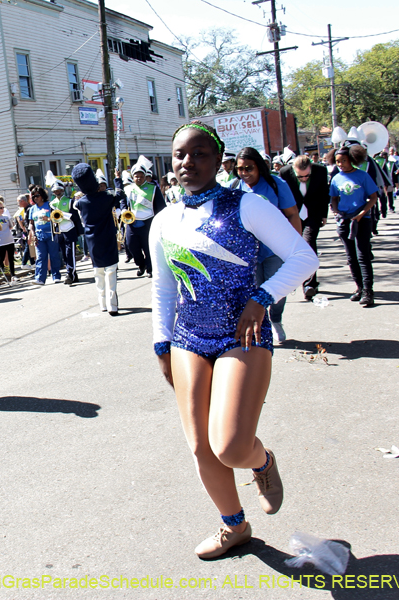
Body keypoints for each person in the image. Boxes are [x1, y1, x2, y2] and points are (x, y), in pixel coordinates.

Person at [151, 121, 317, 559]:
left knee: (231, 446)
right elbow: (164, 289)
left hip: (243, 335)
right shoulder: (164, 221)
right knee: (201, 445)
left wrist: (263, 297)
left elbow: (304, 256)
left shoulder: (246, 206)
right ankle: (234, 526)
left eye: (200, 153)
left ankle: (261, 462)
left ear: (218, 159)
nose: (188, 162)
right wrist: (161, 345)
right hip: (189, 337)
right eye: (180, 154)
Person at [235, 147, 302, 344]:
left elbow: (292, 214)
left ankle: (276, 320)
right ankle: (261, 329)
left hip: (275, 248)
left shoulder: (276, 184)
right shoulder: (236, 187)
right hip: (250, 253)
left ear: (259, 167)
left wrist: (295, 248)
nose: (244, 173)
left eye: (249, 168)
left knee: (277, 292)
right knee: (255, 294)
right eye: (240, 169)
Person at [331, 145, 380, 306]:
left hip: (362, 220)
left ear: (352, 160)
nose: (340, 164)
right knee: (351, 257)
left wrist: (361, 214)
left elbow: (373, 197)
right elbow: (334, 198)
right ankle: (359, 288)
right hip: (345, 221)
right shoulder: (336, 178)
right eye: (337, 162)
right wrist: (336, 211)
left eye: (343, 161)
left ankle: (368, 291)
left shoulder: (363, 176)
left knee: (363, 256)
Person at [280, 155, 331, 300]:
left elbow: (323, 194)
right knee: (294, 248)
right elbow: (281, 195)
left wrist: (323, 215)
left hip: (312, 214)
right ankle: (296, 279)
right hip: (292, 215)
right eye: (300, 176)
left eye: (307, 176)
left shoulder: (321, 171)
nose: (303, 179)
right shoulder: (284, 173)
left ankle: (310, 284)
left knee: (308, 245)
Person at [73, 165, 120, 314]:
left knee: (98, 272)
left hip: (92, 241)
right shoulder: (107, 197)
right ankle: (113, 305)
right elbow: (120, 195)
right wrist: (117, 179)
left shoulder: (81, 203)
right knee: (111, 270)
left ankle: (102, 303)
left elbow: (76, 204)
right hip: (108, 237)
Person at [122, 163, 166, 278]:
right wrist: (122, 210)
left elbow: (161, 207)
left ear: (145, 176)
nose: (139, 178)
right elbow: (123, 201)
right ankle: (141, 265)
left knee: (148, 247)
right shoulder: (128, 189)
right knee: (131, 246)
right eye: (136, 176)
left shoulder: (153, 188)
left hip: (148, 221)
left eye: (141, 176)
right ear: (133, 177)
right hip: (132, 221)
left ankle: (150, 268)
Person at [49, 183, 83, 285]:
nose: (57, 193)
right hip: (59, 230)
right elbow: (52, 219)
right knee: (64, 254)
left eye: (58, 191)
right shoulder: (52, 203)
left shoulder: (69, 201)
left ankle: (69, 274)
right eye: (55, 191)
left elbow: (75, 217)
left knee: (70, 253)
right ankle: (74, 274)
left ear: (62, 190)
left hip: (69, 229)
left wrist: (63, 215)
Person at [27, 186, 62, 285]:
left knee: (54, 255)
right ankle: (40, 278)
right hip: (39, 235)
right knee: (41, 256)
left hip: (51, 234)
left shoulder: (50, 205)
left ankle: (56, 276)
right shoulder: (32, 209)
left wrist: (49, 219)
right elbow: (31, 223)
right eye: (33, 196)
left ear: (42, 195)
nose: (35, 198)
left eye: (37, 195)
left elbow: (57, 218)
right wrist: (32, 234)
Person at [0, 200, 18, 281]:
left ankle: (13, 275)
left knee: (11, 258)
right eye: (0, 207)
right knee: (0, 259)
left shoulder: (6, 217)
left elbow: (11, 226)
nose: (2, 209)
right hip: (1, 241)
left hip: (9, 240)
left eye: (3, 207)